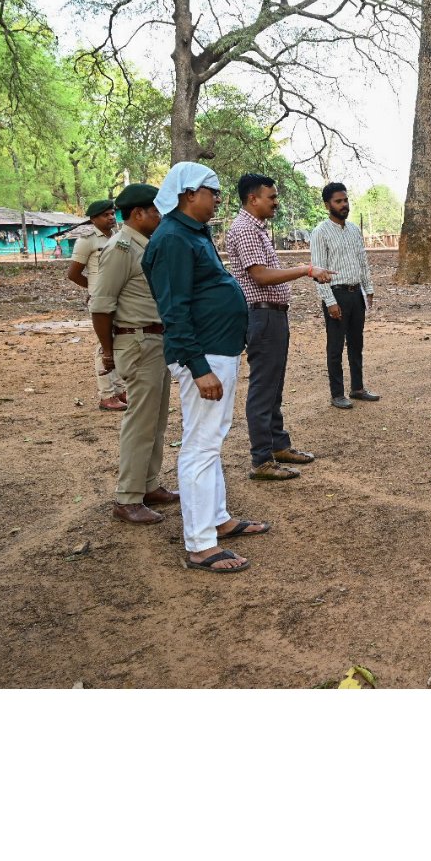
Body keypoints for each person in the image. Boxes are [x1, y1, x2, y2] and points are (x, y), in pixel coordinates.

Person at [142, 162, 269, 574]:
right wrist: (198, 367)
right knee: (199, 446)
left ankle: (218, 519)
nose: (218, 199)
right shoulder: (174, 239)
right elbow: (174, 311)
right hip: (204, 356)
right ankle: (199, 543)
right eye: (213, 192)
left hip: (218, 350)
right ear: (189, 193)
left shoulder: (191, 233)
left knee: (211, 440)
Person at [225, 172, 332, 481]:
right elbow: (259, 275)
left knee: (273, 385)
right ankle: (261, 459)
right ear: (252, 199)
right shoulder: (245, 229)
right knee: (263, 388)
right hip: (262, 315)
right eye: (271, 197)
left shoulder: (256, 229)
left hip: (271, 314)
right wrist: (304, 269)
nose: (276, 201)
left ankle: (277, 445)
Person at [88, 184, 179, 525]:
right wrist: (109, 354)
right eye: (155, 211)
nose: (160, 216)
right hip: (137, 341)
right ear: (138, 213)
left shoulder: (145, 244)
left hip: (155, 340)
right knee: (140, 422)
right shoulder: (120, 248)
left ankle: (148, 485)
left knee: (155, 420)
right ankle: (127, 498)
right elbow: (100, 306)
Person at [309, 182, 380, 409]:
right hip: (336, 295)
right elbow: (318, 271)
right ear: (327, 204)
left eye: (345, 200)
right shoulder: (320, 232)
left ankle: (357, 388)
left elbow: (363, 261)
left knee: (356, 343)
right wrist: (329, 301)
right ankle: (337, 393)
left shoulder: (354, 230)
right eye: (338, 201)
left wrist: (368, 290)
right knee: (336, 346)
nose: (344, 205)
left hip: (355, 294)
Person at [67, 198, 128, 411]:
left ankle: (120, 389)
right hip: (102, 301)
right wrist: (94, 289)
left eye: (112, 214)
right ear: (93, 219)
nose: (111, 217)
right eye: (105, 215)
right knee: (104, 345)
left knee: (118, 342)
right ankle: (107, 395)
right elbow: (73, 274)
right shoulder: (87, 240)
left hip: (120, 297)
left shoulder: (119, 237)